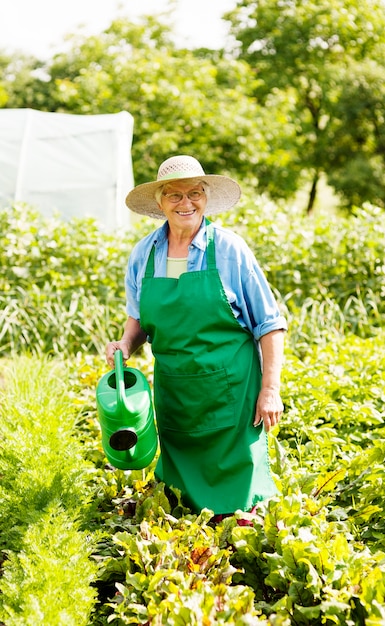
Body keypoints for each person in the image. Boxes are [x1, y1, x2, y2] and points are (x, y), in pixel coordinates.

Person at [105, 155, 287, 517]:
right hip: (176, 391)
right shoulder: (144, 254)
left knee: (239, 507)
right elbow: (138, 318)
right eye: (174, 195)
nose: (186, 203)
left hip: (231, 393)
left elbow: (270, 324)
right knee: (180, 504)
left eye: (194, 193)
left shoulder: (230, 250)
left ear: (205, 197)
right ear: (160, 202)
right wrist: (126, 343)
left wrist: (270, 390)